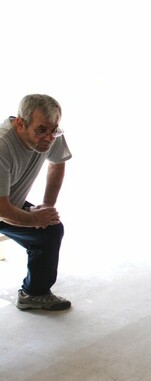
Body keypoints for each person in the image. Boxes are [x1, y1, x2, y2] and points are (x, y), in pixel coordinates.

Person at [0, 94, 72, 311]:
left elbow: (57, 163)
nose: (50, 137)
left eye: (54, 130)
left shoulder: (50, 134)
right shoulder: (2, 147)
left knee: (49, 229)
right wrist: (32, 219)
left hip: (7, 202)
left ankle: (34, 294)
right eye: (42, 130)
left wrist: (47, 206)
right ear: (21, 124)